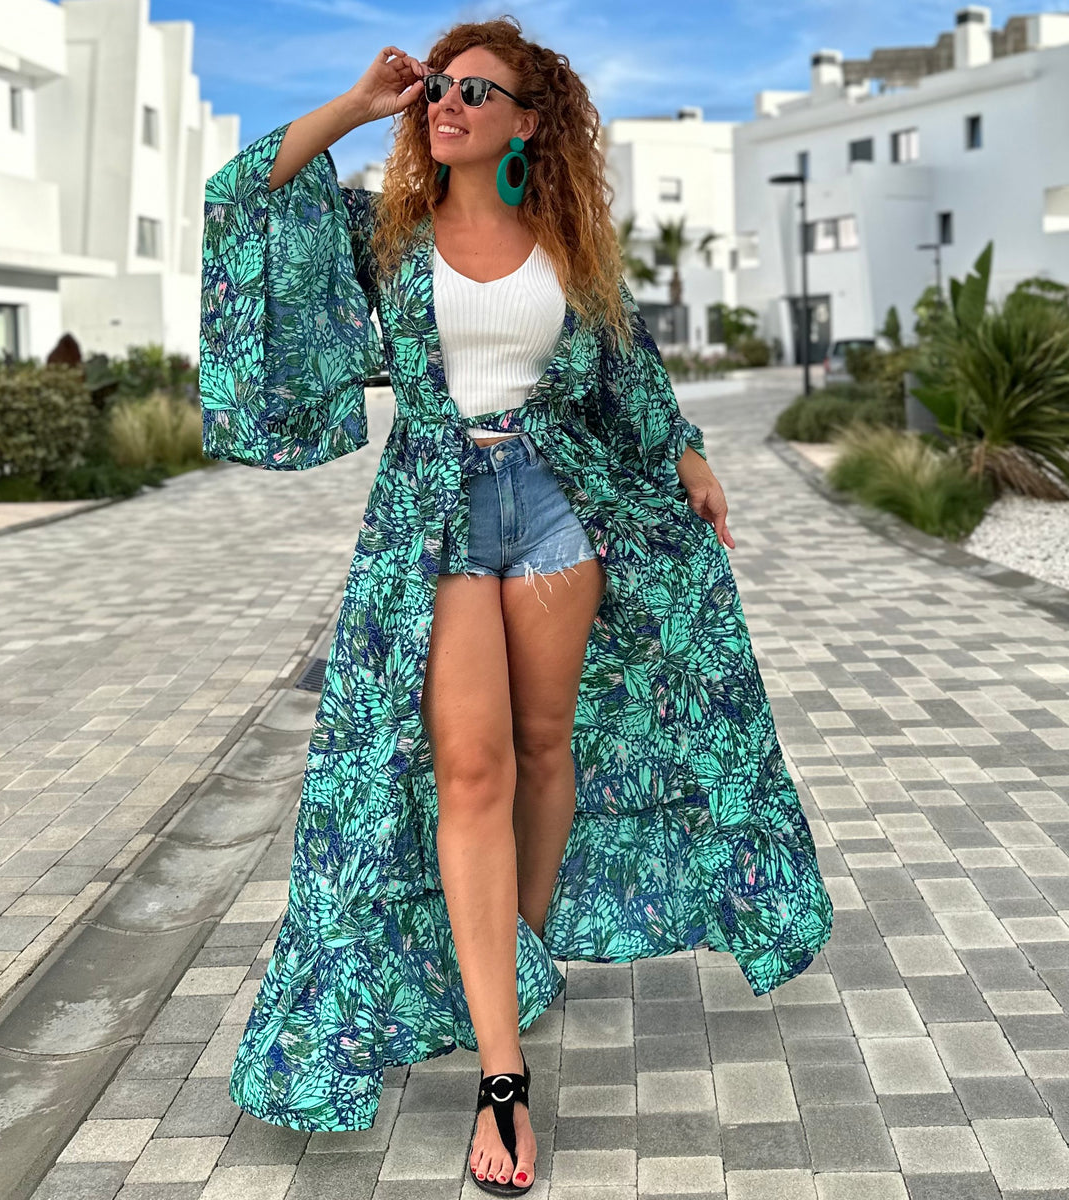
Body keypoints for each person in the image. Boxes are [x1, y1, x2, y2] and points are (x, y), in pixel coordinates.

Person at [202, 16, 834, 1198]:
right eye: (439, 87)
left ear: (528, 123)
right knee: (473, 769)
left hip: (555, 505)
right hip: (435, 510)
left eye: (474, 91)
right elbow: (244, 193)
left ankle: (513, 965)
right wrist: (359, 104)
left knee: (547, 752)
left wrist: (689, 451)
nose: (446, 103)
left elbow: (629, 365)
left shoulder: (566, 245)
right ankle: (503, 1074)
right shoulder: (385, 232)